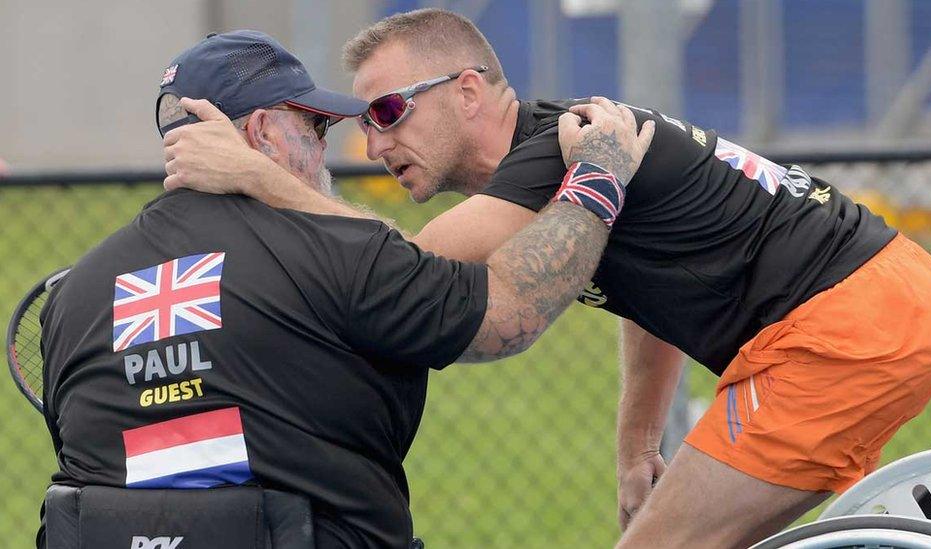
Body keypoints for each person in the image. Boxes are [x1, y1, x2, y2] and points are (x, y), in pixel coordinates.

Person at [160, 10, 931, 548]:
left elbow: (404, 266)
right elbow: (654, 292)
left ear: (468, 90)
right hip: (878, 303)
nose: (372, 145)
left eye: (387, 112)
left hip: (845, 323)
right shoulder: (574, 156)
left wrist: (258, 176)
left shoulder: (555, 152)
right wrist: (635, 442)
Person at [38, 29, 653, 548]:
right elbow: (511, 313)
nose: (333, 147)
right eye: (315, 126)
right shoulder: (337, 254)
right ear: (264, 132)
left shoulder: (72, 294)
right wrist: (598, 178)